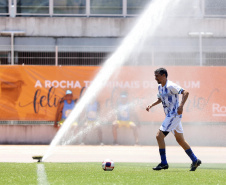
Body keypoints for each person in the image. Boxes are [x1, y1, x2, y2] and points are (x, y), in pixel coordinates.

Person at [146, 68, 201, 171]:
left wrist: (181, 106)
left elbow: (186, 92)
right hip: (170, 116)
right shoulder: (160, 87)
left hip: (173, 115)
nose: (155, 78)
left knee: (159, 136)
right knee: (180, 140)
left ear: (163, 75)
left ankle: (163, 163)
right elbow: (160, 99)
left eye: (156, 76)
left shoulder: (171, 85)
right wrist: (151, 105)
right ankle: (195, 160)